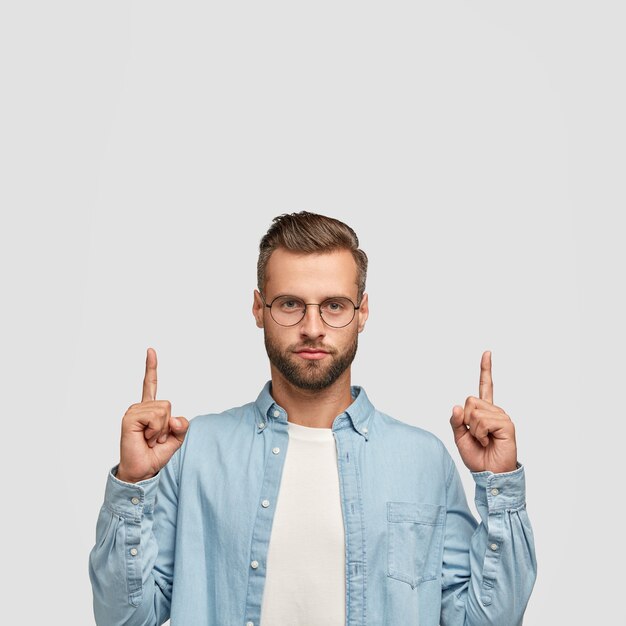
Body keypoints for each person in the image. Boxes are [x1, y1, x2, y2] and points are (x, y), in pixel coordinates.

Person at [89, 211, 537, 626]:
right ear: (258, 309)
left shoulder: (422, 460)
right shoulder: (197, 451)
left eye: (334, 306)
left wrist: (500, 490)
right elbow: (127, 618)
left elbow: (484, 620)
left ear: (362, 312)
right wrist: (132, 484)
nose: (313, 327)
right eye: (290, 304)